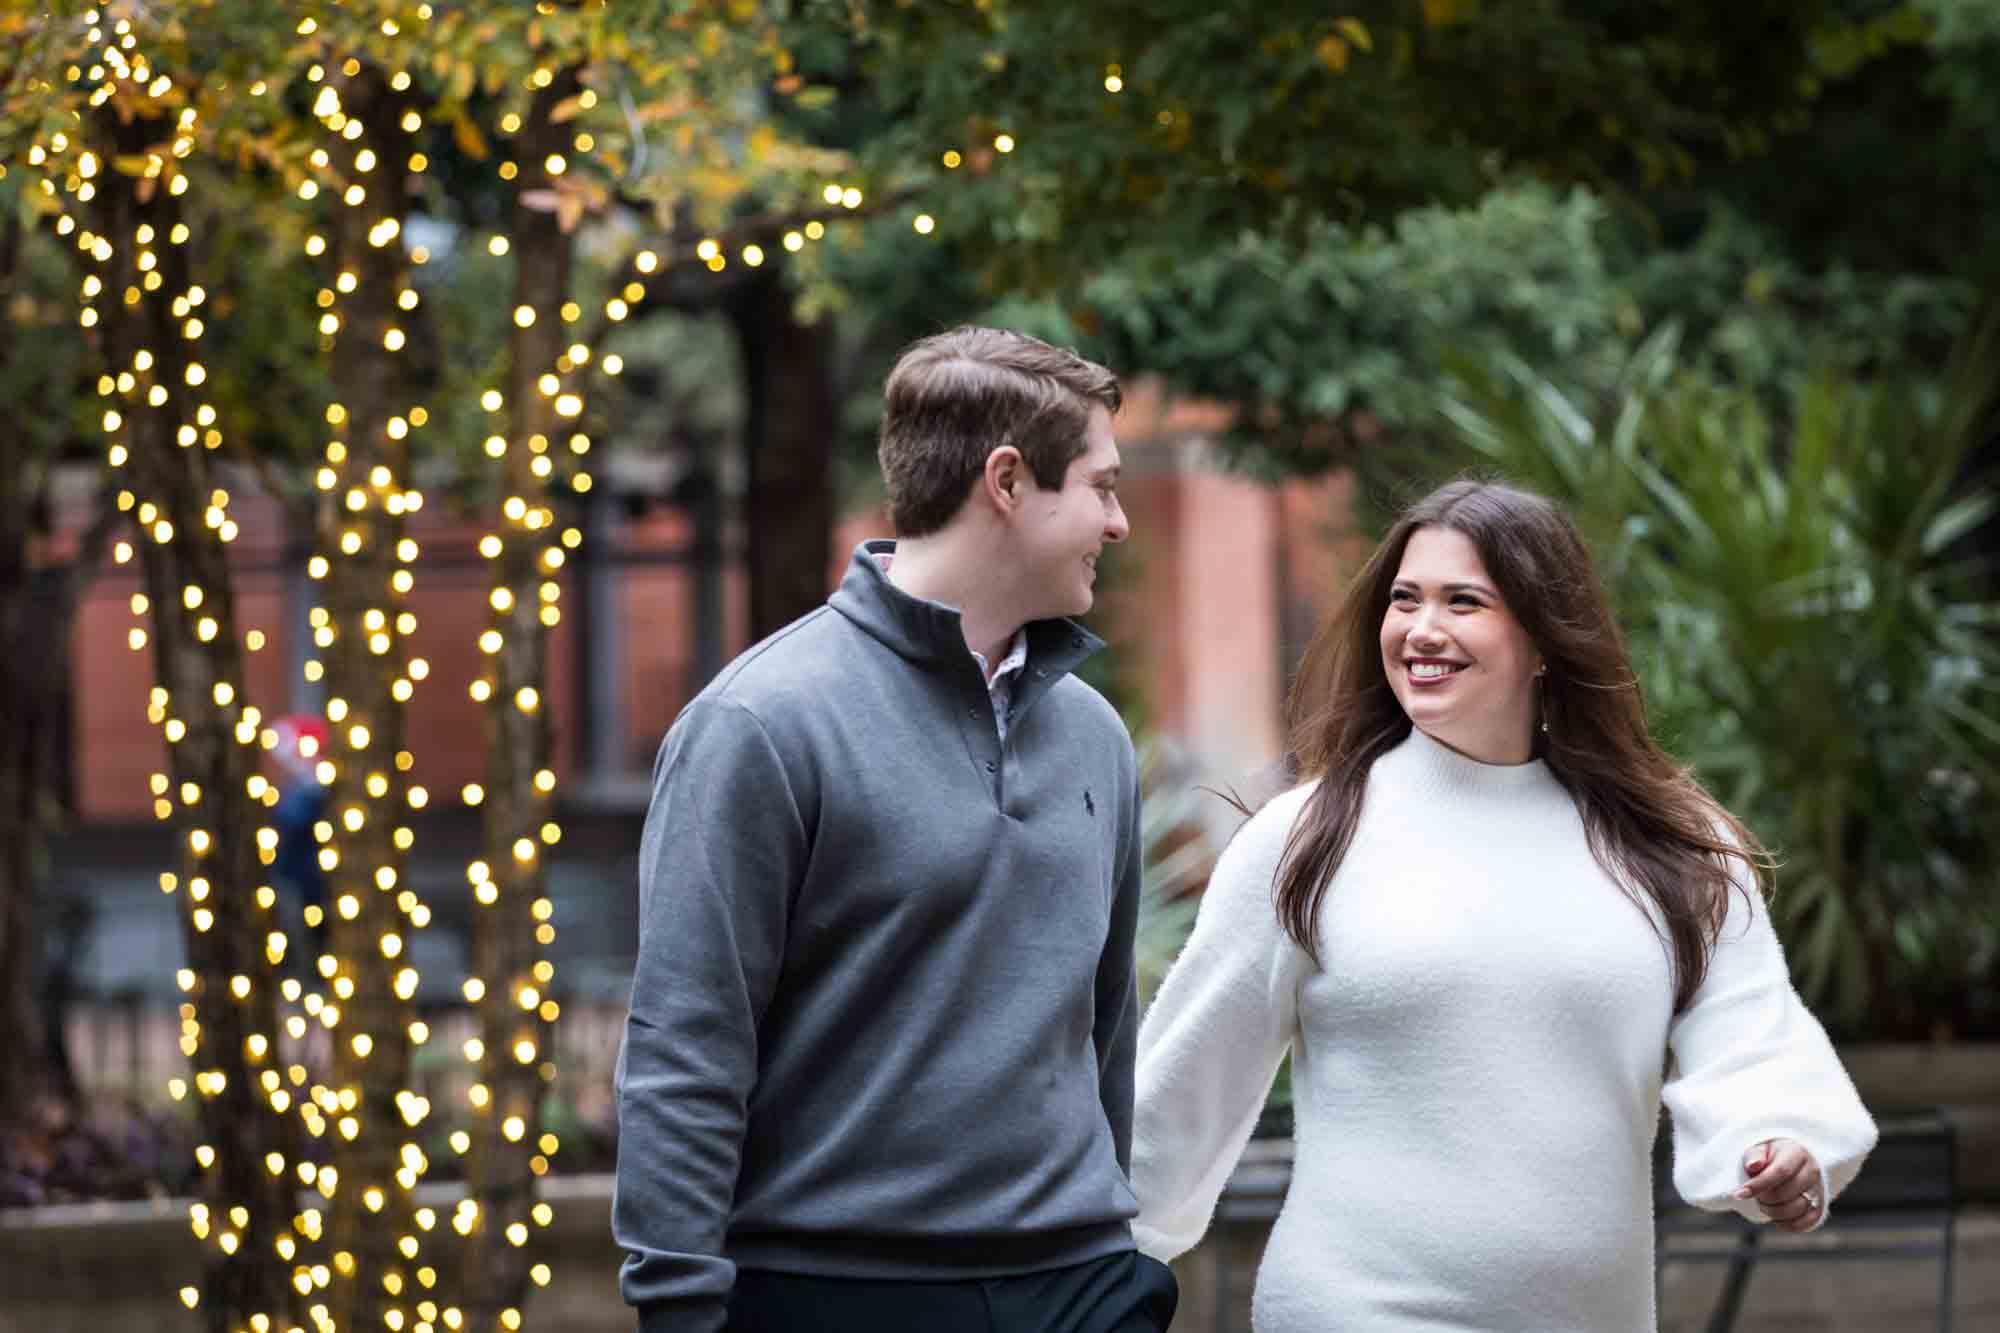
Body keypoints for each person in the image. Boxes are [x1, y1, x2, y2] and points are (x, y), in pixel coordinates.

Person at [1129, 478, 1878, 1332]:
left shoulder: (1665, 842)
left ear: (1544, 640)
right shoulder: (1305, 837)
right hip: (1350, 1311)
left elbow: (1752, 1038)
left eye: (1464, 601)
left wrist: (1781, 1144)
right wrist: (1091, 1262)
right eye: (1404, 599)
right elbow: (1184, 1078)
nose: (1421, 629)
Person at [614, 326, 1179, 1333]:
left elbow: (1104, 1031)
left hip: (1079, 1284)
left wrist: (1110, 1249)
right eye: (1099, 486)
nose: (1119, 521)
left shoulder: (1093, 737)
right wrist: (680, 1312)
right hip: (837, 1295)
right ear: (1006, 481)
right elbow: (687, 1051)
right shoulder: (759, 725)